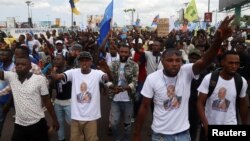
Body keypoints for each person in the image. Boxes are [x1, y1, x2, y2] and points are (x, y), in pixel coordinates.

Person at [133, 16, 235, 141]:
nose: (174, 63)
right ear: (162, 62)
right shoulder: (152, 79)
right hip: (160, 135)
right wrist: (137, 134)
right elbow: (144, 107)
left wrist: (217, 41)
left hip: (183, 134)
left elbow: (205, 60)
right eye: (170, 60)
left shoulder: (186, 71)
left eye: (178, 60)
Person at [50, 51, 110, 141]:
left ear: (91, 62)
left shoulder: (97, 73)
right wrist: (54, 71)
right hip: (76, 117)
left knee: (91, 139)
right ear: (78, 62)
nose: (84, 62)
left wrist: (106, 73)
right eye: (82, 60)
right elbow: (57, 77)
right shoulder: (73, 72)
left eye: (87, 60)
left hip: (91, 117)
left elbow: (105, 78)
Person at [0, 56, 59, 141]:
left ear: (30, 67)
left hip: (37, 123)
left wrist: (54, 119)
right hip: (19, 124)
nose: (19, 66)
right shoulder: (11, 76)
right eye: (17, 64)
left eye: (23, 64)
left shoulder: (39, 79)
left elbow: (47, 101)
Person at [197, 51, 249, 141]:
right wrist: (205, 125)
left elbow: (243, 105)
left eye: (237, 63)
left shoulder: (241, 81)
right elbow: (200, 103)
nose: (234, 66)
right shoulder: (209, 79)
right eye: (230, 63)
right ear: (222, 63)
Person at [107, 45, 139, 141]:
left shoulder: (134, 65)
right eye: (121, 52)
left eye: (126, 52)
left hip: (128, 99)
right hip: (115, 99)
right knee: (113, 123)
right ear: (119, 52)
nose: (123, 54)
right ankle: (118, 138)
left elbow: (135, 82)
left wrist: (125, 88)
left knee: (127, 125)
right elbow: (107, 80)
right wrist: (113, 87)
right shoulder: (113, 64)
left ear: (129, 53)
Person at [51, 54, 71, 141]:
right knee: (59, 123)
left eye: (58, 59)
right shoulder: (55, 71)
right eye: (55, 59)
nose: (56, 61)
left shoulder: (68, 71)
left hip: (69, 101)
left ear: (64, 61)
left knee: (73, 123)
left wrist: (53, 72)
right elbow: (52, 85)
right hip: (58, 101)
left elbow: (56, 77)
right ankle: (61, 138)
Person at [0, 49, 15, 138]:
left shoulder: (15, 67)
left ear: (9, 57)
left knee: (25, 119)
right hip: (2, 98)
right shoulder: (0, 65)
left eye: (3, 55)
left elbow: (15, 86)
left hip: (15, 99)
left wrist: (9, 102)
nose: (0, 56)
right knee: (0, 120)